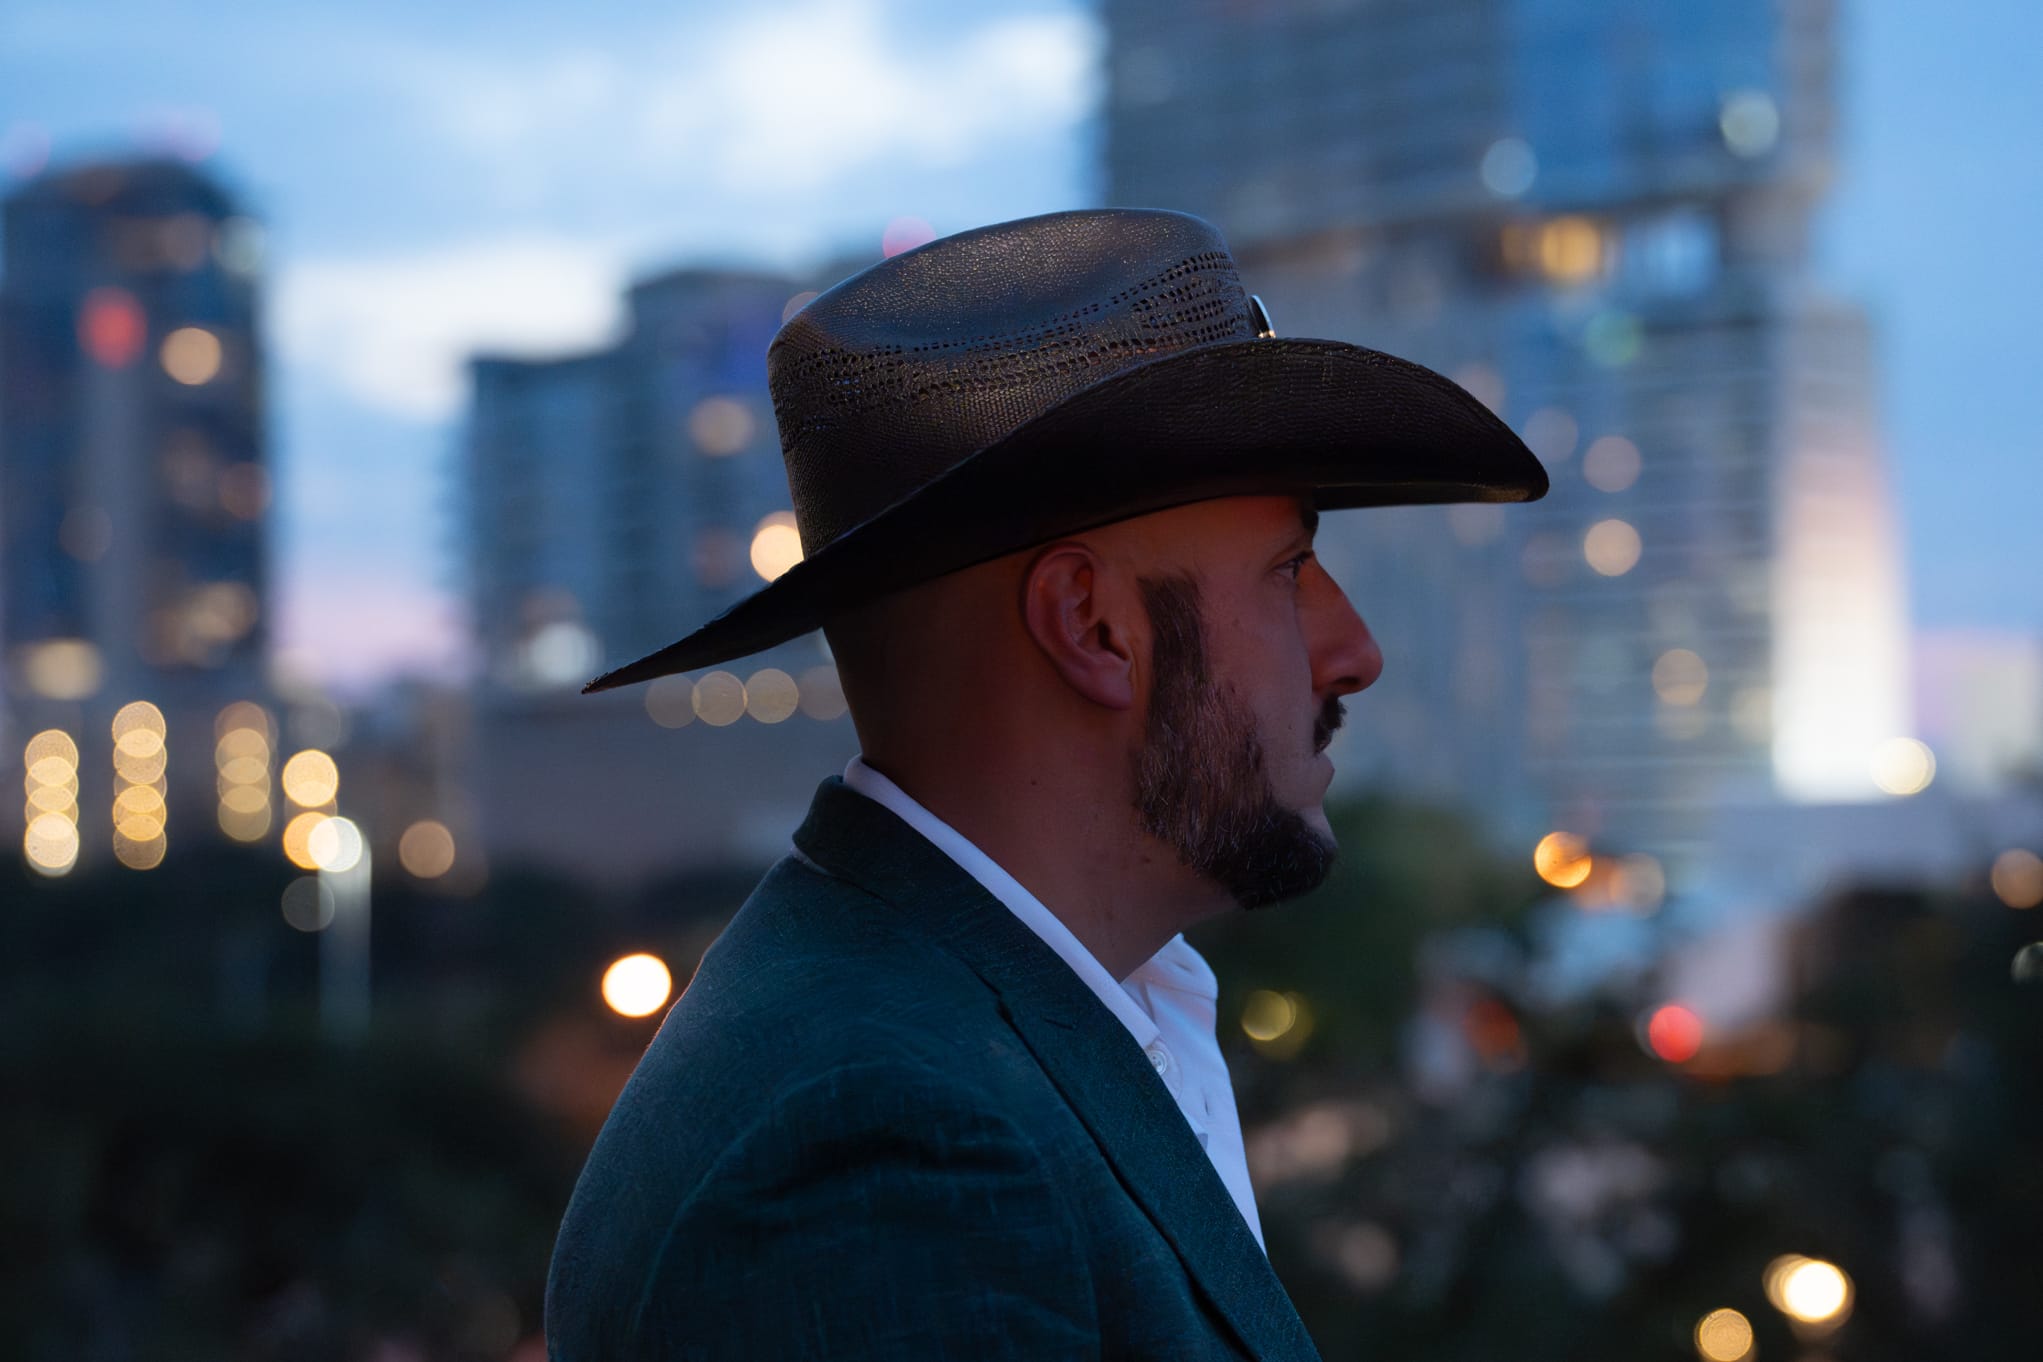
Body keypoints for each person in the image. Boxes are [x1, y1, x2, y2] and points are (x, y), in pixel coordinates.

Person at [544, 208, 1546, 1360]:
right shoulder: (888, 1146)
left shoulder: (984, 1023)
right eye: (1288, 573)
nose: (1354, 649)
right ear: (1094, 627)